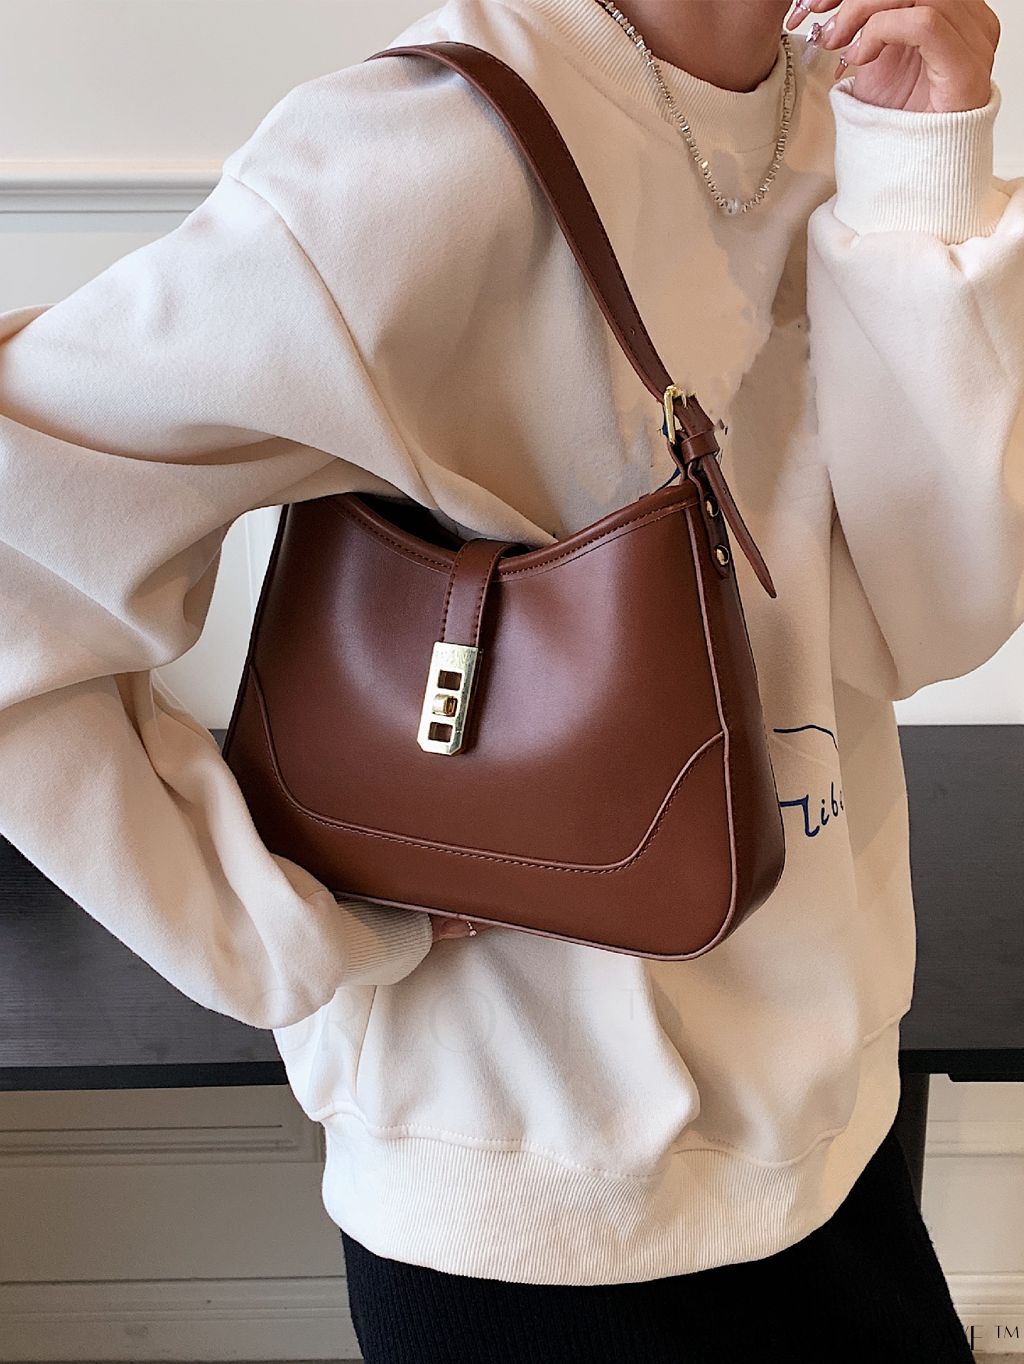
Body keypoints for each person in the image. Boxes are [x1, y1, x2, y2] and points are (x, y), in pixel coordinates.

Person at [0, 0, 1017, 1359]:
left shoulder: (846, 107)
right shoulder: (421, 150)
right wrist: (265, 924)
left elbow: (932, 620)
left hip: (829, 1127)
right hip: (531, 1196)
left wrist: (925, 164)